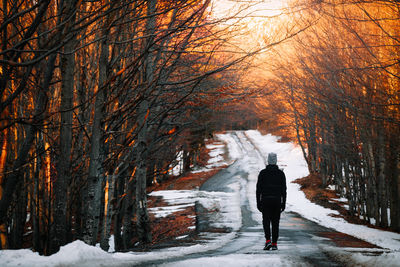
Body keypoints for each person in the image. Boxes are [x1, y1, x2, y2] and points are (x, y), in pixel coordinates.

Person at [256, 152, 287, 251]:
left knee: (266, 221)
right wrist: (283, 203)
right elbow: (284, 190)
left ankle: (268, 241)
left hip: (265, 200)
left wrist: (258, 202)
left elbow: (258, 189)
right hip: (277, 201)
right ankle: (274, 243)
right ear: (276, 161)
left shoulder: (263, 173)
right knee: (275, 222)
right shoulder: (281, 174)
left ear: (268, 161)